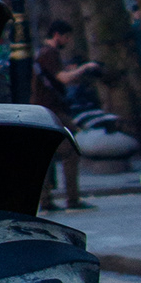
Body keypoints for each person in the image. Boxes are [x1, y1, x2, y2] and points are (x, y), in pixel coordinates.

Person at [34, 18, 99, 211]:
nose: (68, 41)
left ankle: (46, 199)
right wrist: (85, 68)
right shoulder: (50, 53)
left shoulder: (44, 53)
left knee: (47, 154)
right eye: (67, 37)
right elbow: (63, 79)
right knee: (70, 151)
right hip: (52, 110)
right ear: (58, 35)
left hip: (46, 110)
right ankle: (72, 198)